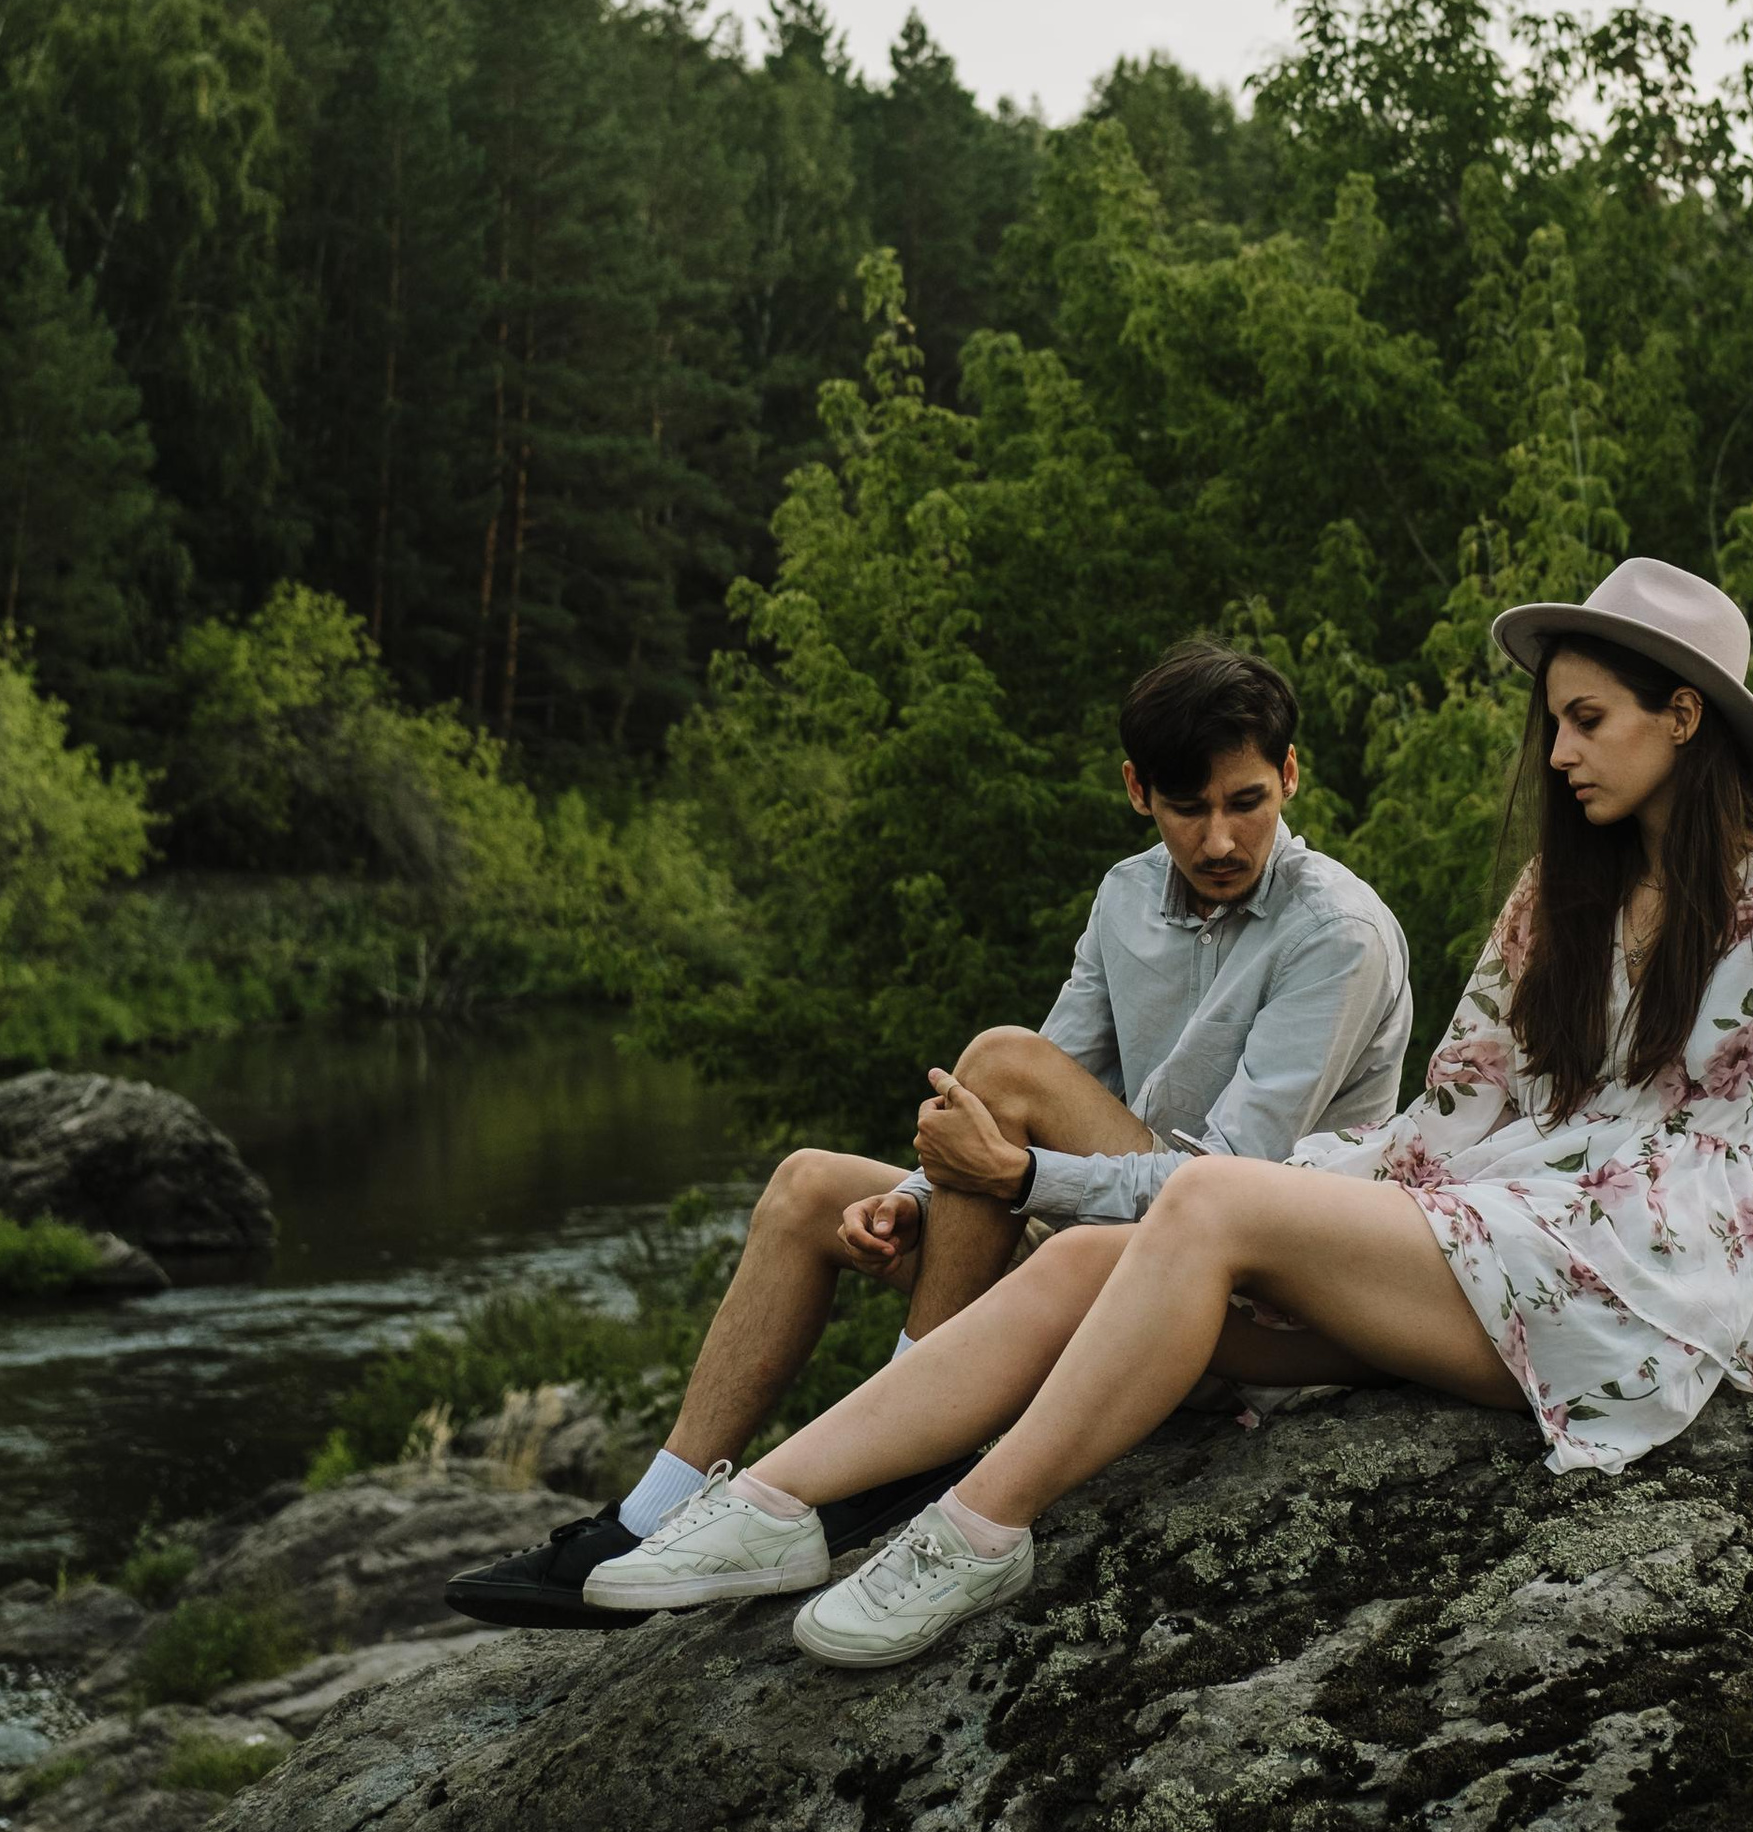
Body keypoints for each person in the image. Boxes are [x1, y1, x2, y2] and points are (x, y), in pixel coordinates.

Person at [574, 555, 1753, 1670]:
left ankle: (979, 1532)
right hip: (1497, 1229)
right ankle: (775, 1505)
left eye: (1589, 719)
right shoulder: (1562, 888)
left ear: (1685, 717)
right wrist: (1261, 1202)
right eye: (1551, 721)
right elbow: (1444, 1118)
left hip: (1647, 1280)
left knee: (1210, 1206)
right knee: (1097, 1266)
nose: (1557, 750)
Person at [447, 636, 1411, 1629]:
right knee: (809, 1188)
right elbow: (1026, 1109)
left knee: (998, 1061)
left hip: (1231, 1295)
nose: (1218, 840)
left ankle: (902, 1447)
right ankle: (647, 1518)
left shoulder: (1335, 934)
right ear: (1136, 790)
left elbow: (1229, 1185)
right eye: (1187, 807)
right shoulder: (1126, 896)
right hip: (1097, 1254)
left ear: (1290, 775)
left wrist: (1021, 1173)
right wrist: (912, 1199)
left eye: (1245, 802)